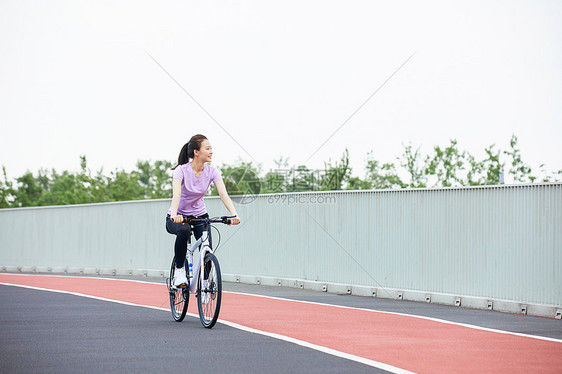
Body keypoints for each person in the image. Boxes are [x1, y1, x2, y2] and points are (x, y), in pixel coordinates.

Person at [166, 134, 240, 288]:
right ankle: (179, 271)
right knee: (184, 231)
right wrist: (174, 214)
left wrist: (234, 214)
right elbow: (176, 194)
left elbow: (223, 194)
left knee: (207, 250)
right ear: (196, 152)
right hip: (179, 217)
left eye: (211, 148)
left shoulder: (212, 171)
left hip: (200, 216)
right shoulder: (181, 170)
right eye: (208, 148)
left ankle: (205, 284)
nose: (211, 151)